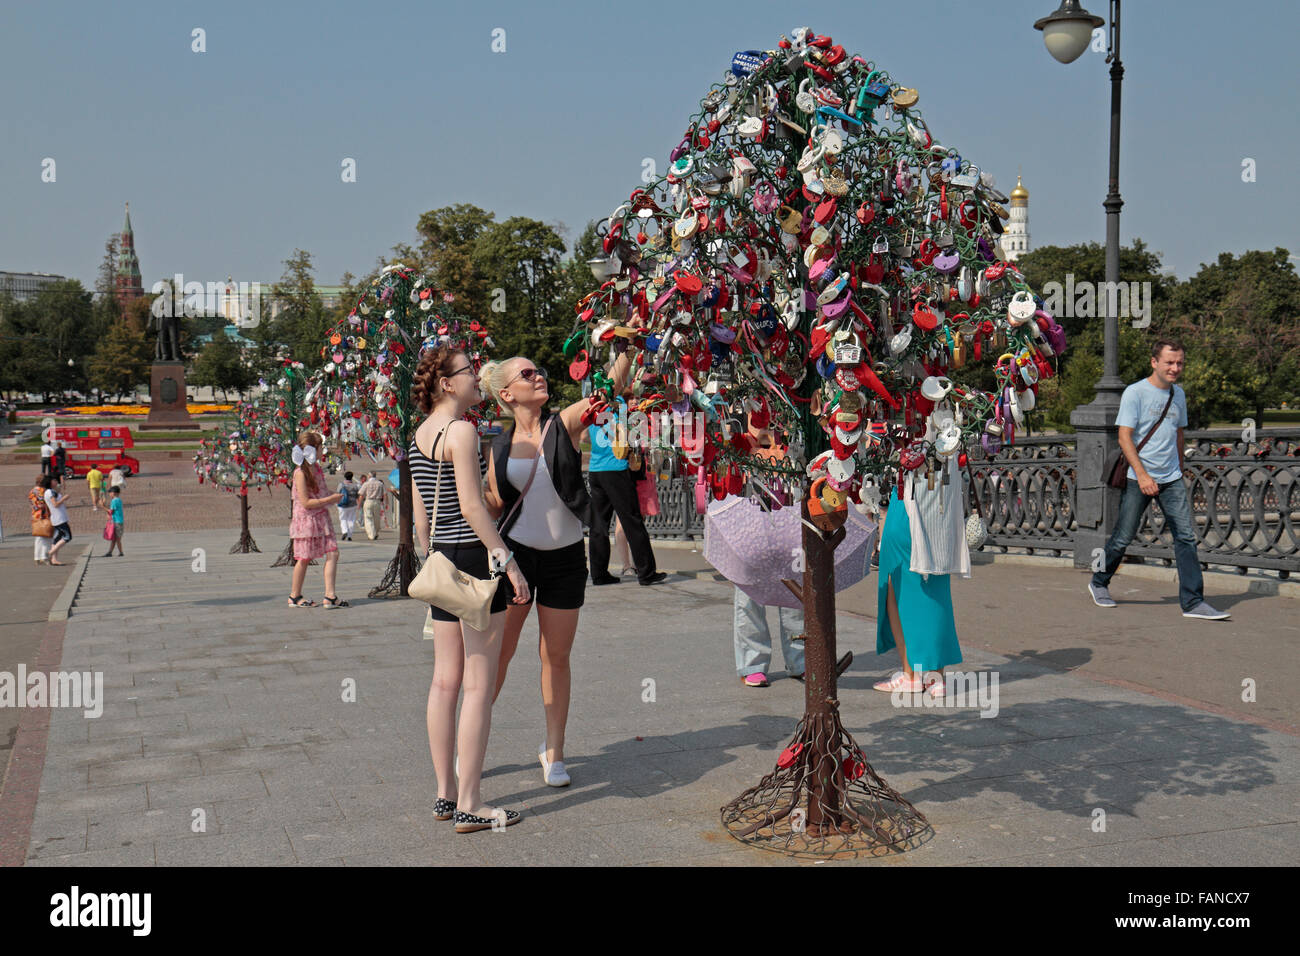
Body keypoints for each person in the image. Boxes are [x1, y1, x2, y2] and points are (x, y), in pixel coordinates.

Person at [482, 345, 635, 788]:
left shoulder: (561, 425)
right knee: (500, 656)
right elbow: (493, 506)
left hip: (566, 557)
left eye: (541, 371)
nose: (539, 377)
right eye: (527, 374)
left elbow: (607, 389)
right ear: (506, 394)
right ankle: (471, 743)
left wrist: (625, 347)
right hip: (515, 560)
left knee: (557, 656)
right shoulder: (499, 444)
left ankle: (554, 751)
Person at [411, 345, 530, 833]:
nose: (477, 378)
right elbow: (473, 507)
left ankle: (444, 795)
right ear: (446, 383)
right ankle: (472, 803)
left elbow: (421, 514)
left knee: (444, 682)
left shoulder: (419, 433)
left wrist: (431, 557)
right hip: (476, 560)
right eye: (468, 372)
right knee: (478, 686)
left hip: (441, 560)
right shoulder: (461, 431)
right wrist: (509, 562)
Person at [1088, 337, 1230, 620]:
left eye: (1179, 363)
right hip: (1138, 477)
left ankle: (1192, 602)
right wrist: (1142, 475)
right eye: (1169, 362)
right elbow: (1124, 436)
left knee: (1186, 538)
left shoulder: (1178, 395)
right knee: (1122, 537)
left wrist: (1180, 468)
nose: (1175, 368)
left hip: (1171, 478)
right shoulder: (1135, 393)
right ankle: (1098, 582)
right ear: (1154, 362)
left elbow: (1178, 432)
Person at [873, 451, 967, 698]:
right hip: (940, 498)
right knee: (934, 585)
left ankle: (911, 674)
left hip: (909, 495)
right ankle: (936, 677)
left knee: (897, 583)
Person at [731, 422, 805, 687]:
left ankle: (801, 660)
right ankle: (752, 662)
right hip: (751, 517)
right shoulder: (740, 425)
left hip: (790, 515)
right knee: (750, 595)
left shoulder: (792, 420)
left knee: (796, 591)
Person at [586, 392, 666, 587]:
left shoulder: (592, 412)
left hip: (595, 469)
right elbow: (628, 436)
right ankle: (646, 572)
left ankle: (599, 573)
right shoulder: (617, 411)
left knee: (599, 524)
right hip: (616, 469)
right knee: (632, 521)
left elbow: (587, 438)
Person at [287, 431, 347, 608]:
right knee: (304, 558)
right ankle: (294, 596)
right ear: (314, 449)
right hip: (307, 520)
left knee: (333, 552)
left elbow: (321, 492)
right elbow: (305, 502)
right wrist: (330, 500)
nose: (323, 451)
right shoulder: (300, 473)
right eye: (321, 447)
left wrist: (335, 496)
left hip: (321, 517)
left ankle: (330, 595)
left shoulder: (317, 469)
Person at [42, 475, 72, 566]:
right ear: (50, 482)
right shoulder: (49, 492)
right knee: (67, 537)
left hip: (58, 517)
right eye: (54, 480)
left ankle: (54, 559)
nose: (56, 481)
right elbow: (55, 504)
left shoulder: (51, 491)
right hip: (59, 518)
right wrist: (64, 498)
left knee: (57, 538)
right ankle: (50, 553)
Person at [29, 476, 53, 564]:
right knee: (46, 536)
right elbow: (42, 504)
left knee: (38, 537)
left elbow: (32, 504)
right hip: (43, 516)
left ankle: (37, 557)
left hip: (35, 515)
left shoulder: (32, 491)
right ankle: (44, 556)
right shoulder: (42, 491)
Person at [359, 471, 385, 539]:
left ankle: (371, 534)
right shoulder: (380, 484)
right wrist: (386, 502)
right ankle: (375, 532)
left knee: (368, 518)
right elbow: (384, 494)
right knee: (376, 518)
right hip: (377, 501)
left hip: (368, 501)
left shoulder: (366, 484)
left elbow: (361, 494)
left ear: (369, 476)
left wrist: (359, 504)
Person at [336, 470, 361, 541]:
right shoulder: (355, 486)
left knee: (343, 519)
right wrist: (358, 503)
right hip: (352, 504)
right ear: (352, 477)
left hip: (342, 504)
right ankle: (349, 535)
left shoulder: (341, 485)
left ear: (345, 477)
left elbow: (338, 493)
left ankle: (344, 531)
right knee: (351, 519)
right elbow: (357, 495)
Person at [104, 486, 125, 556]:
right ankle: (110, 552)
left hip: (116, 522)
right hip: (120, 521)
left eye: (110, 492)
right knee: (115, 538)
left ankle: (120, 552)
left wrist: (102, 506)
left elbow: (111, 511)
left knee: (117, 538)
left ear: (114, 493)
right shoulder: (119, 500)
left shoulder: (114, 501)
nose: (109, 494)